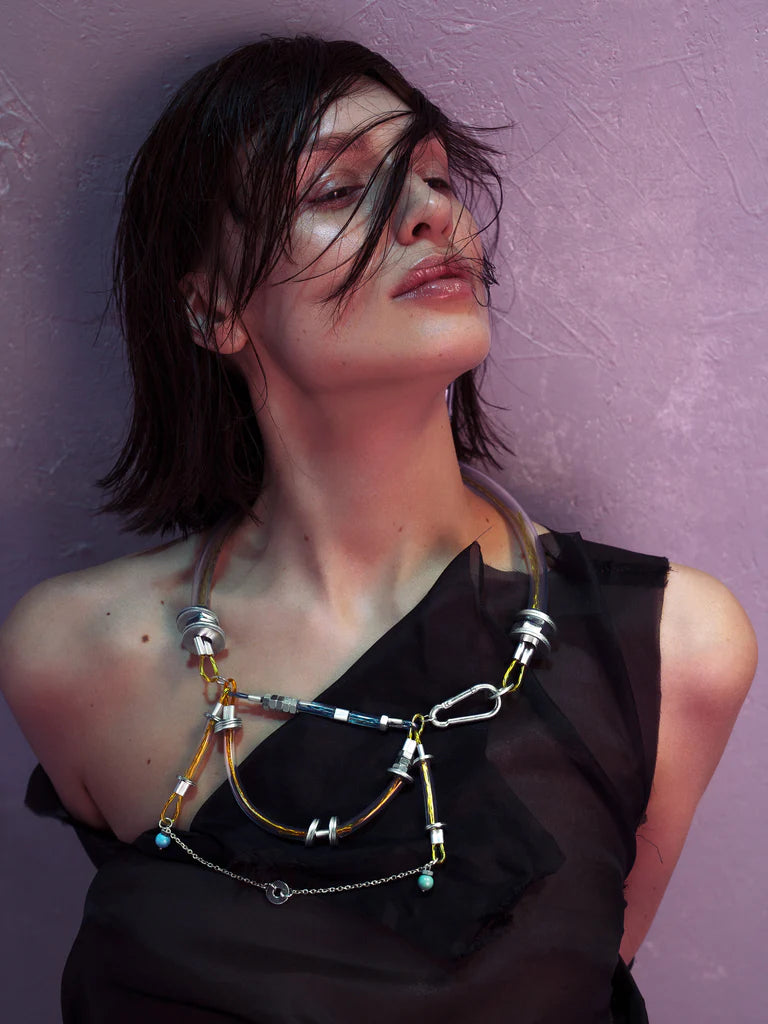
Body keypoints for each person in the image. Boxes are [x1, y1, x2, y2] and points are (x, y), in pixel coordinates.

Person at [0, 35, 756, 1024]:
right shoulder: (69, 656)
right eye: (337, 188)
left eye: (434, 175)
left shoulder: (673, 649)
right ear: (213, 308)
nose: (432, 211)